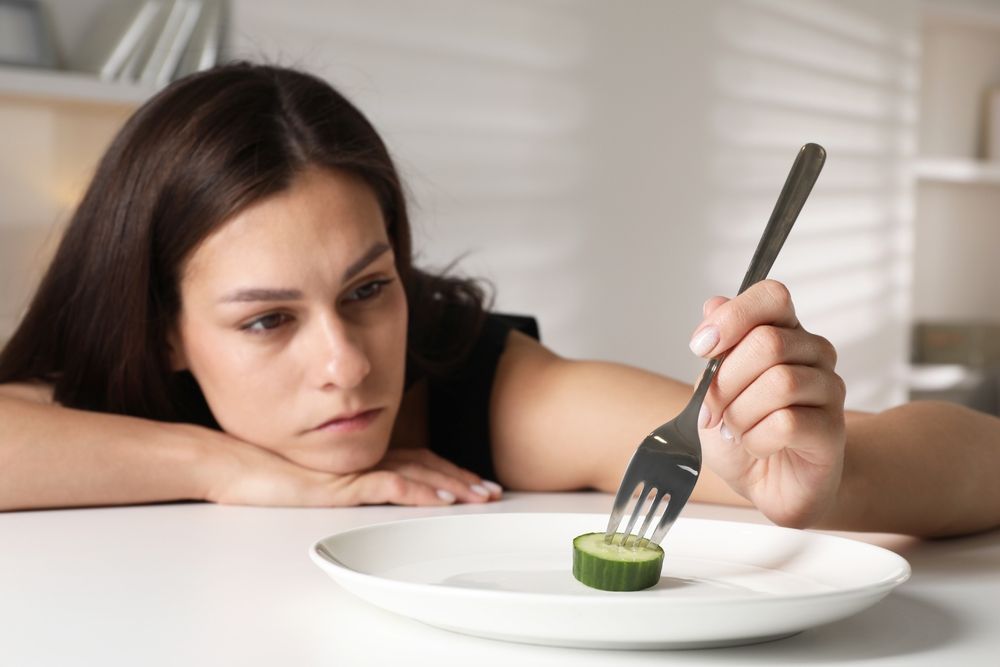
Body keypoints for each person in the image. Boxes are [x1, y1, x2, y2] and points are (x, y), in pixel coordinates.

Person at [0, 63, 997, 538]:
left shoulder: (476, 384)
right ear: (165, 328)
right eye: (267, 319)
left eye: (368, 289)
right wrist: (226, 470)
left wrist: (829, 482)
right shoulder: (106, 384)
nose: (347, 363)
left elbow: (984, 463)